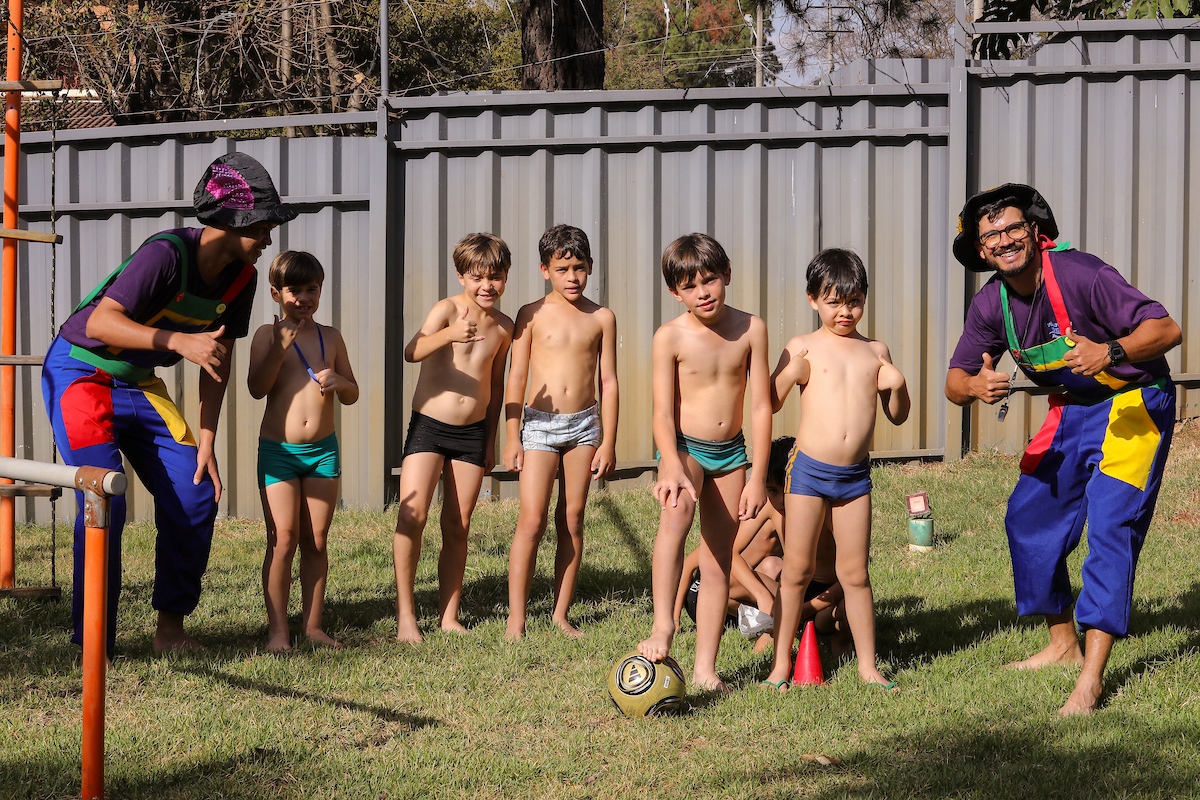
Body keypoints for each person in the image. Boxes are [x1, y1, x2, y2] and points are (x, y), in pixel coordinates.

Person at [41, 152, 297, 654]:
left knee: (196, 491)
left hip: (139, 384)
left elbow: (216, 360)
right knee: (103, 504)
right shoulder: (165, 253)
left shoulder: (241, 278)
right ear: (230, 220)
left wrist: (206, 441)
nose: (269, 238)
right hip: (79, 372)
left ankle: (170, 632)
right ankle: (93, 644)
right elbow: (99, 323)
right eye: (264, 225)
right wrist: (179, 343)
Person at [945, 184, 1181, 717]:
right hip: (1074, 408)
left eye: (1011, 228)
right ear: (982, 252)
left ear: (1033, 231)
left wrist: (1111, 350)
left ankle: (1091, 680)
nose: (1004, 241)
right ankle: (1060, 642)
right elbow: (954, 381)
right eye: (991, 236)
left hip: (1135, 400)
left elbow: (1167, 328)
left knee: (1111, 524)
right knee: (1028, 516)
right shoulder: (991, 304)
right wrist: (975, 387)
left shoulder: (1082, 274)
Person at [761, 248, 909, 692]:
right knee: (797, 571)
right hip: (806, 472)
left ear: (865, 299)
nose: (845, 311)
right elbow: (767, 404)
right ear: (812, 300)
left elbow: (898, 416)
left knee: (856, 573)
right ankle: (780, 667)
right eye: (833, 301)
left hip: (855, 478)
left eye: (854, 301)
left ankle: (868, 666)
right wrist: (788, 376)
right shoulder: (802, 347)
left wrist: (898, 386)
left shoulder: (875, 350)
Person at [637, 233, 772, 692]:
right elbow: (660, 411)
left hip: (732, 453)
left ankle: (705, 669)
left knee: (718, 558)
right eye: (691, 286)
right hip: (684, 448)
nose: (704, 292)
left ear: (727, 275)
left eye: (711, 280)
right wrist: (670, 464)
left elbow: (759, 407)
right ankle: (663, 624)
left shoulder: (751, 328)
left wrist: (756, 474)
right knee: (675, 518)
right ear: (676, 292)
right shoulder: (669, 337)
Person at [393, 233, 514, 643]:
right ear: (462, 276)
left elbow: (495, 388)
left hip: (473, 432)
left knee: (458, 525)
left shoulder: (504, 327)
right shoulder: (447, 310)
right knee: (413, 517)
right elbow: (411, 351)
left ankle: (448, 614)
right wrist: (448, 335)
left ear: (506, 278)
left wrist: (491, 439)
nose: (487, 287)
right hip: (429, 426)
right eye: (478, 277)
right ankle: (406, 616)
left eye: (496, 278)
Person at [502, 225, 618, 640]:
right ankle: (517, 619)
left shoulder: (601, 317)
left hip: (584, 425)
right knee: (531, 520)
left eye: (580, 268)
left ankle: (560, 613)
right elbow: (516, 377)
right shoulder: (530, 314)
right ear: (544, 269)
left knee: (571, 518)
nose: (572, 277)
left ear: (590, 268)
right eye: (563, 268)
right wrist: (512, 433)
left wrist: (608, 440)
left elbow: (609, 383)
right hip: (539, 424)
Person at [247, 251, 359, 652]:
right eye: (295, 290)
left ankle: (312, 625)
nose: (304, 298)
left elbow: (353, 394)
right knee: (283, 538)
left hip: (323, 453)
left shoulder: (331, 337)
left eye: (312, 289)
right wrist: (279, 348)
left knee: (316, 538)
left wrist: (341, 382)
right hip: (279, 452)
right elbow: (256, 387)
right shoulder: (265, 334)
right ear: (277, 293)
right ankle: (278, 631)